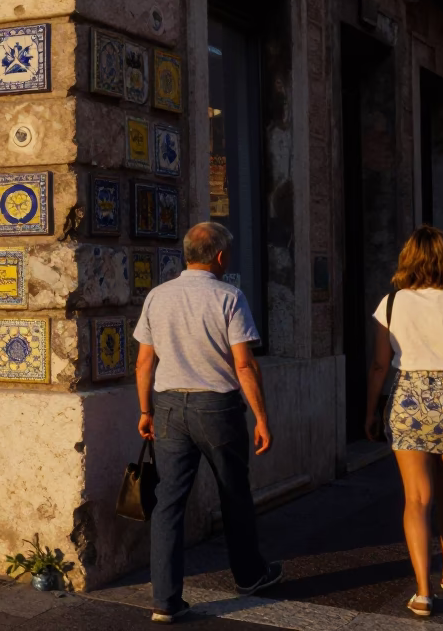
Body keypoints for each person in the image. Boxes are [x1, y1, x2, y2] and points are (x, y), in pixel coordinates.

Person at [134, 222, 283, 623]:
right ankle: (250, 575)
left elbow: (145, 361)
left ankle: (164, 599)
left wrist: (145, 410)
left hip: (167, 406)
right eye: (228, 254)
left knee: (168, 502)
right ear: (219, 256)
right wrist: (262, 418)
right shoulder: (229, 297)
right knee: (234, 494)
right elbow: (244, 364)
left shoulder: (158, 297)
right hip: (216, 407)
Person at [365, 225, 443, 618]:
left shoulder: (390, 304)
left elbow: (379, 365)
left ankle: (422, 593)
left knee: (416, 500)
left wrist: (370, 411)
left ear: (408, 259)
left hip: (407, 400)